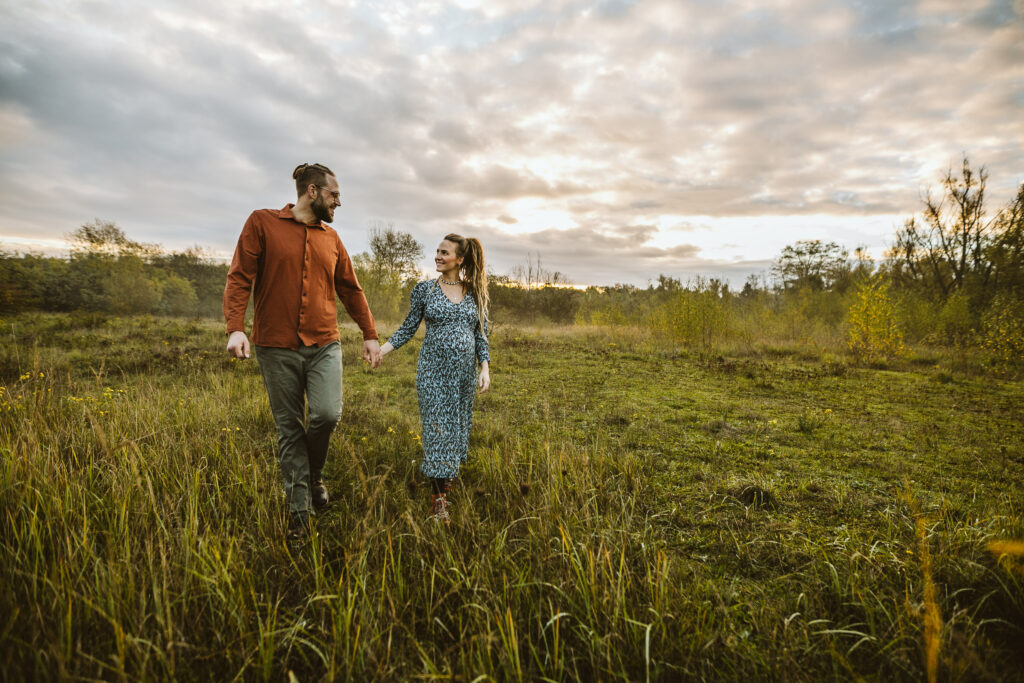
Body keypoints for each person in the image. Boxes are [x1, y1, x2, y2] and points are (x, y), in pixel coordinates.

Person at [223, 163, 381, 541]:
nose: (338, 202)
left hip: (325, 342)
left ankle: (313, 474)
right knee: (289, 428)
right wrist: (235, 328)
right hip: (275, 346)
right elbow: (240, 277)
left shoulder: (332, 238)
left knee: (326, 414)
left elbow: (351, 289)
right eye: (333, 195)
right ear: (312, 192)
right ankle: (300, 513)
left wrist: (370, 334)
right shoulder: (262, 223)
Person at [379, 234, 491, 524]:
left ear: (460, 259)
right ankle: (439, 502)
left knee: (456, 429)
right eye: (437, 251)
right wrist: (382, 350)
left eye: (445, 252)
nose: (438, 256)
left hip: (464, 376)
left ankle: (446, 480)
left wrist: (485, 368)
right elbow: (407, 329)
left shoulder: (475, 293)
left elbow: (481, 334)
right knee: (437, 430)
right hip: (433, 373)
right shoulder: (424, 291)